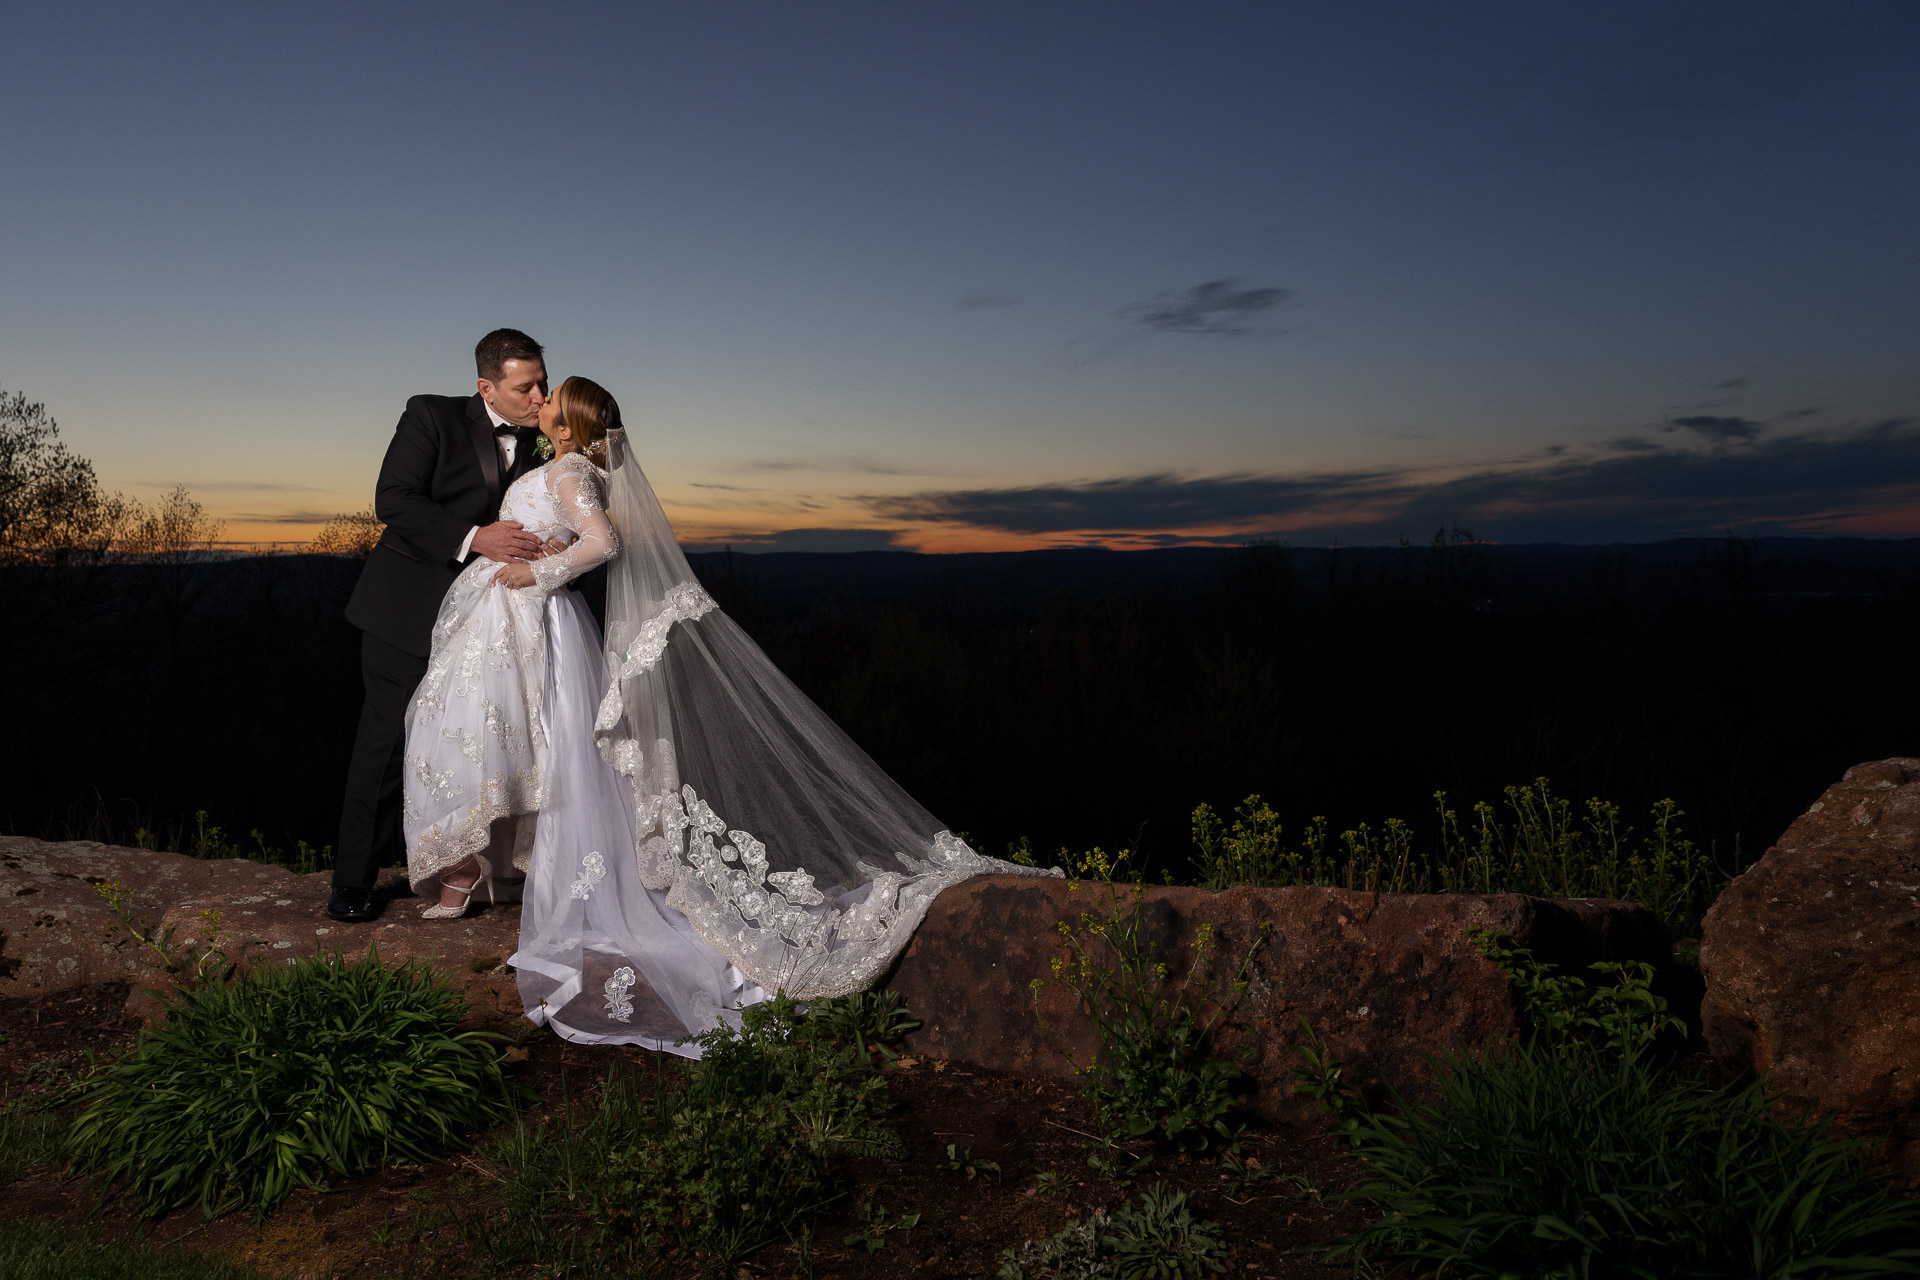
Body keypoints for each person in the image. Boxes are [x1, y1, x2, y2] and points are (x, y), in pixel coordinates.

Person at [406, 373, 1060, 1053]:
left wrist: (541, 571)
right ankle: (512, 871)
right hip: (516, 618)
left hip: (539, 611)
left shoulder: (571, 468)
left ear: (568, 428)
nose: (537, 400)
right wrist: (544, 547)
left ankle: (553, 887)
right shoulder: (562, 464)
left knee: (562, 752)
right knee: (533, 745)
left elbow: (604, 543)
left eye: (550, 396)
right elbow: (572, 532)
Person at [329, 329, 554, 924]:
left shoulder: (549, 441)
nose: (540, 396)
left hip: (494, 626)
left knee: (474, 748)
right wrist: (475, 538)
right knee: (385, 744)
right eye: (524, 386)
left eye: (543, 381)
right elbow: (394, 500)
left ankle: (451, 867)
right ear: (486, 386)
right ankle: (352, 881)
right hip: (408, 610)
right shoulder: (430, 416)